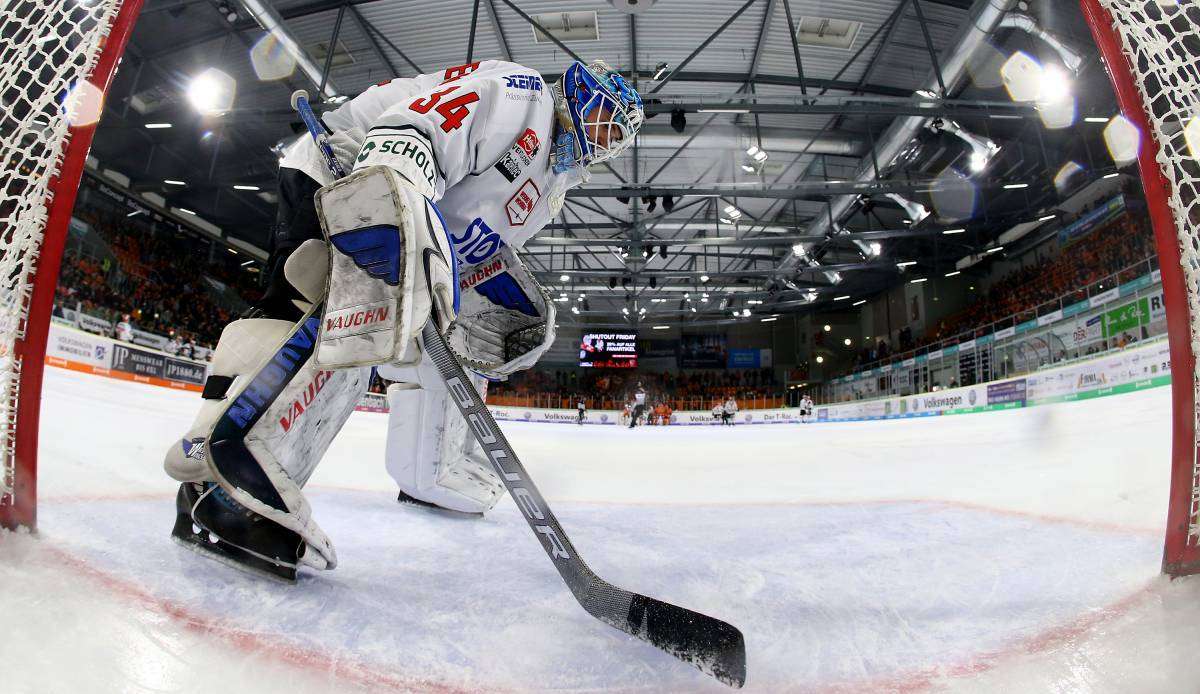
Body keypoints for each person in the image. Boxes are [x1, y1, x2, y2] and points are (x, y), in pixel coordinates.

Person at [162, 58, 644, 581]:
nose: (604, 138)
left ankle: (221, 453)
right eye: (603, 119)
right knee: (332, 310)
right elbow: (420, 126)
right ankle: (230, 478)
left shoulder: (552, 179)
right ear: (577, 94)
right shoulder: (522, 95)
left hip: (399, 199)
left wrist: (486, 298)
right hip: (345, 170)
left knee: (362, 327)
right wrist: (390, 191)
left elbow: (477, 245)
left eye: (615, 135)